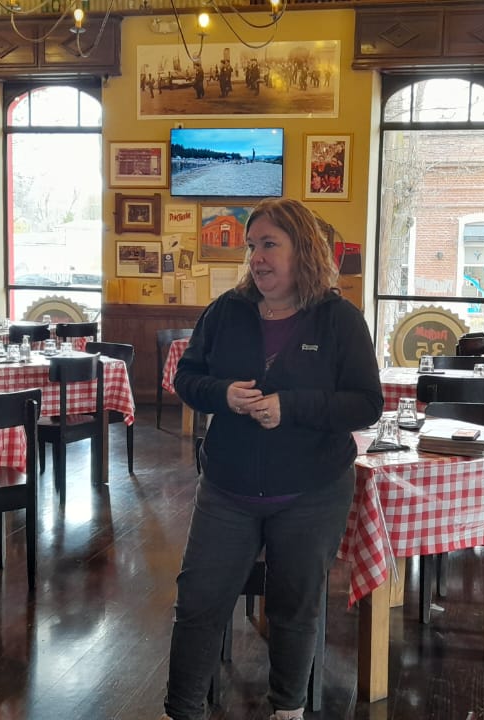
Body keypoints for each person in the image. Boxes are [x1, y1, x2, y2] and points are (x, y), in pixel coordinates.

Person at [161, 198, 382, 720]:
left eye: (269, 244)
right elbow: (186, 378)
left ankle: (288, 709)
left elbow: (366, 404)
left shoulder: (340, 320)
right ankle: (181, 710)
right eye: (252, 246)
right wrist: (223, 395)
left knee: (295, 607)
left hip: (312, 491)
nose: (257, 258)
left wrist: (292, 406)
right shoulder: (226, 311)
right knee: (198, 602)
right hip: (227, 488)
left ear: (302, 250)